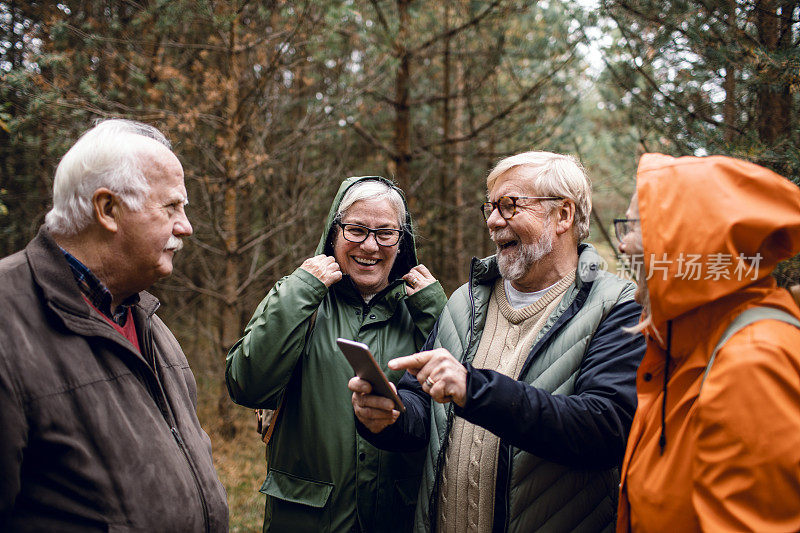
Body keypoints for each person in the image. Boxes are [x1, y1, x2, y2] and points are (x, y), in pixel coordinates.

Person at [350, 151, 647, 532]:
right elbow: (422, 407)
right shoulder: (464, 300)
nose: (492, 221)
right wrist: (390, 415)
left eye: (509, 206)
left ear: (563, 216)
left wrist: (474, 389)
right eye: (489, 207)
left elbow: (603, 430)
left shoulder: (617, 305)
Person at [0, 119, 228, 531]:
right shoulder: (7, 320)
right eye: (171, 206)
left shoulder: (147, 320)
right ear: (108, 210)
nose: (186, 227)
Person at [225, 176, 447, 532]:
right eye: (356, 230)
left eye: (385, 233)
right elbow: (246, 383)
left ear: (401, 241)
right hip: (307, 520)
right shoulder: (298, 295)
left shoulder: (424, 309)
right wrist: (301, 289)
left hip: (397, 519)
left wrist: (438, 312)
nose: (370, 246)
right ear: (333, 232)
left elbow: (464, 407)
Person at [616, 154, 800, 531]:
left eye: (630, 227)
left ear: (685, 241)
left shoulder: (753, 365)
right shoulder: (684, 346)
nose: (621, 247)